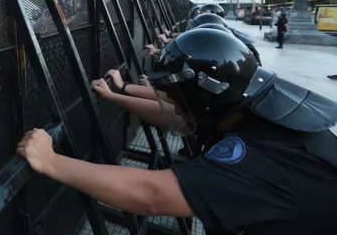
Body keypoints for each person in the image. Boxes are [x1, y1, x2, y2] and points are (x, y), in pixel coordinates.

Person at [17, 29, 337, 234]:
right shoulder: (257, 107)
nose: (176, 108)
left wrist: (51, 161)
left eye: (181, 99)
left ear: (204, 98)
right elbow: (171, 114)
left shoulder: (255, 156)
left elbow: (152, 195)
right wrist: (119, 93)